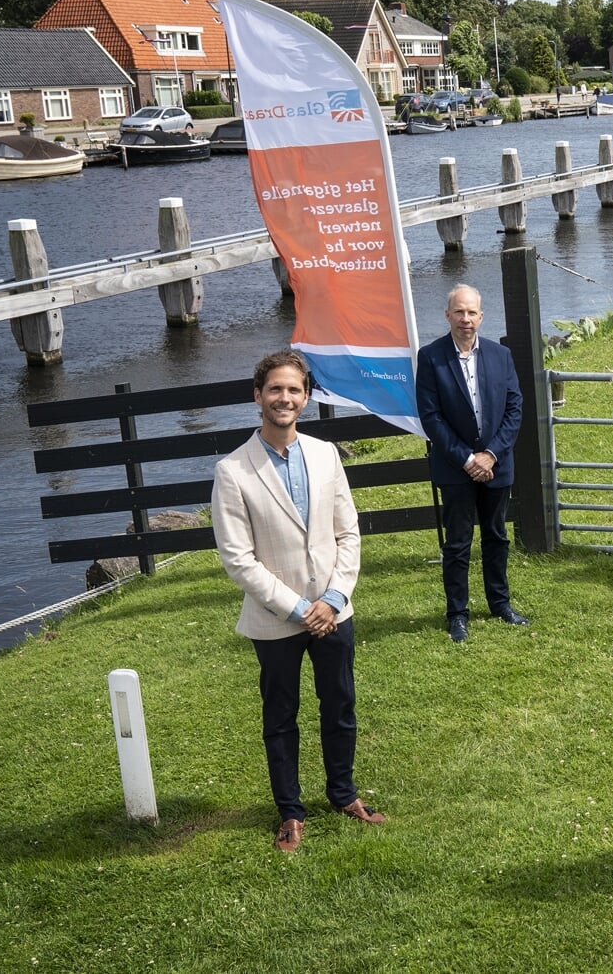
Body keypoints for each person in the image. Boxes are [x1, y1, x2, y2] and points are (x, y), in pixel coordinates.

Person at [211, 350, 387, 852]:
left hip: (335, 611)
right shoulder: (232, 471)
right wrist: (298, 608)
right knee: (281, 716)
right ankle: (290, 812)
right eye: (275, 390)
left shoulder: (326, 454)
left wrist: (331, 600)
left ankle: (344, 794)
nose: (284, 398)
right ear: (257, 397)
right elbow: (238, 559)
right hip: (276, 619)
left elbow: (348, 533)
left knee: (340, 705)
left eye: (293, 390)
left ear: (306, 398)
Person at [416, 284, 527, 642]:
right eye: (459, 312)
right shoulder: (431, 358)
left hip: (497, 465)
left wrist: (491, 454)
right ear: (447, 315)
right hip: (455, 467)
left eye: (472, 312)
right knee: (458, 542)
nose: (466, 319)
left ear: (481, 316)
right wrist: (466, 459)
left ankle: (500, 603)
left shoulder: (500, 356)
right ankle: (457, 613)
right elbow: (431, 417)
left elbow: (514, 408)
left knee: (496, 536)